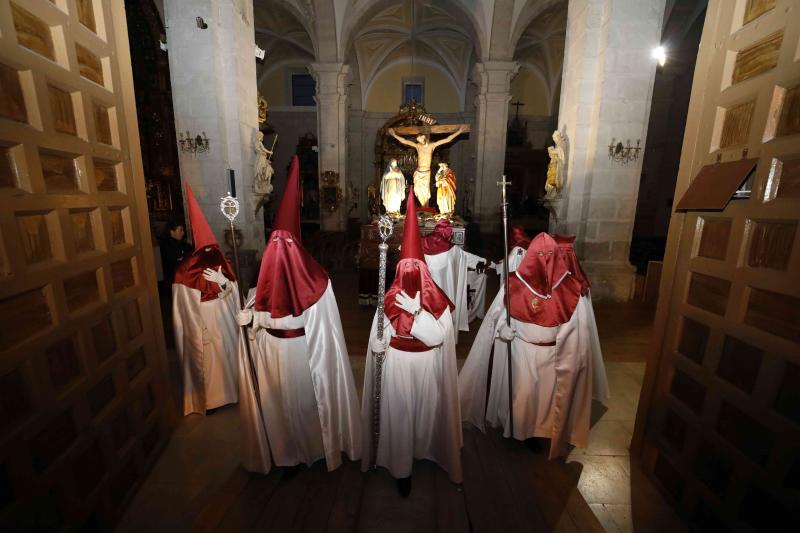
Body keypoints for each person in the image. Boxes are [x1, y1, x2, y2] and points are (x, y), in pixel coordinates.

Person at [236, 155, 361, 475]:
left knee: (305, 406)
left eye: (284, 243)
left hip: (303, 355)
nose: (277, 250)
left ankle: (315, 450)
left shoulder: (317, 282)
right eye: (273, 243)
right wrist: (248, 322)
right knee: (277, 406)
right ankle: (284, 455)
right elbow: (256, 312)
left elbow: (326, 332)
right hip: (270, 354)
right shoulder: (260, 285)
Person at [458, 232, 596, 459]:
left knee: (544, 398)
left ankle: (536, 433)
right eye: (538, 255)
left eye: (548, 255)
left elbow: (576, 328)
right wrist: (503, 329)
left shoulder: (570, 289)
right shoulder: (514, 284)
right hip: (520, 349)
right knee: (521, 394)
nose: (544, 261)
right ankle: (517, 429)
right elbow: (500, 316)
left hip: (551, 353)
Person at [361, 189, 462, 496]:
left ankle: (426, 452)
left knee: (425, 413)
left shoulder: (437, 301)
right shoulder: (387, 300)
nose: (409, 273)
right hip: (398, 366)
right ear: (397, 270)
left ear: (424, 271)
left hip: (427, 365)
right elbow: (379, 336)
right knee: (401, 417)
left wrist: (417, 312)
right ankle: (401, 469)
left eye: (414, 268)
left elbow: (438, 337)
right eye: (405, 268)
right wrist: (378, 345)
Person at [172, 183, 239, 416]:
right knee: (210, 362)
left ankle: (232, 392)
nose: (212, 254)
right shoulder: (185, 270)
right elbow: (183, 306)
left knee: (226, 355)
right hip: (202, 320)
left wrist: (223, 283)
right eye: (207, 251)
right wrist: (195, 323)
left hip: (223, 317)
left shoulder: (220, 258)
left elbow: (232, 291)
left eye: (214, 250)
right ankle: (210, 400)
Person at [422, 219, 486, 341]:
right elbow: (467, 258)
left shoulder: (422, 242)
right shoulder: (453, 249)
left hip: (426, 289)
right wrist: (483, 261)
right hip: (445, 290)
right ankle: (446, 337)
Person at [387, 126, 465, 207]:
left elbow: (447, 139)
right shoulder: (418, 146)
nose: (419, 141)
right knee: (417, 191)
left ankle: (425, 208)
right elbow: (405, 141)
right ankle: (422, 208)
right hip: (418, 172)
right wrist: (394, 135)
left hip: (426, 173)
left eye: (420, 139)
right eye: (418, 140)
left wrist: (459, 131)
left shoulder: (432, 145)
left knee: (425, 193)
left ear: (423, 137)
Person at [159, 220, 193, 285]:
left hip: (185, 276)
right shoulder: (166, 246)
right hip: (174, 280)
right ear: (172, 232)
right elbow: (175, 261)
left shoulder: (183, 243)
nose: (183, 233)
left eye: (183, 230)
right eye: (180, 230)